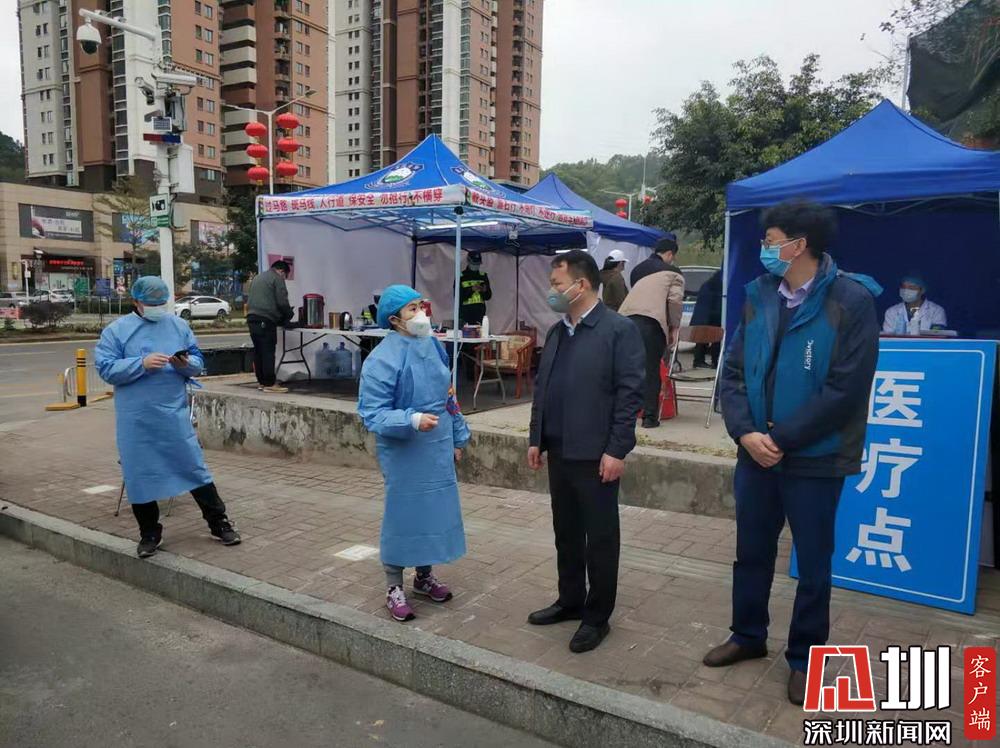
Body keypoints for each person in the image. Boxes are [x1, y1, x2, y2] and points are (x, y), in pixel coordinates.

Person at [706, 199, 880, 706]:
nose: (764, 249)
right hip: (754, 454)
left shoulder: (851, 300)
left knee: (814, 564)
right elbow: (732, 374)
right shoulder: (758, 294)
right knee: (751, 552)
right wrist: (745, 433)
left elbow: (845, 390)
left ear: (799, 245)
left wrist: (780, 439)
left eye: (770, 241)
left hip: (815, 459)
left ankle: (805, 659)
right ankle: (747, 635)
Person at [526, 250, 645, 653]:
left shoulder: (618, 330)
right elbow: (543, 388)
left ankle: (597, 617)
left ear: (581, 284)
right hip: (560, 451)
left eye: (557, 284)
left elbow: (630, 394)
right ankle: (570, 599)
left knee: (601, 539)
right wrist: (536, 438)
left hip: (596, 455)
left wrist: (617, 449)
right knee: (567, 533)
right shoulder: (558, 332)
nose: (552, 291)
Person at [95, 276, 241, 559]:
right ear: (136, 301)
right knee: (139, 474)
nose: (157, 308)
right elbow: (106, 368)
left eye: (161, 302)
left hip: (172, 413)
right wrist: (140, 363)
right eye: (151, 303)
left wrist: (185, 364)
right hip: (136, 418)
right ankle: (149, 533)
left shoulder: (178, 326)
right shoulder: (117, 331)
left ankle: (219, 523)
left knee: (193, 467)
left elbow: (197, 360)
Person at [358, 284, 471, 623]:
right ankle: (394, 586)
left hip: (436, 444)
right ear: (394, 320)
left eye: (421, 305)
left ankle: (424, 576)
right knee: (404, 515)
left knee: (433, 512)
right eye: (412, 309)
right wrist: (410, 419)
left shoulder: (433, 345)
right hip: (404, 449)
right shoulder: (382, 359)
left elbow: (448, 395)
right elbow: (372, 413)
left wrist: (458, 436)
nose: (421, 313)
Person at [618, 237, 685, 428]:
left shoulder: (637, 270)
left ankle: (624, 412)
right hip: (651, 323)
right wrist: (674, 327)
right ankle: (649, 417)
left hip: (624, 320)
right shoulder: (674, 273)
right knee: (651, 369)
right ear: (670, 254)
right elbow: (674, 301)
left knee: (627, 369)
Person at [246, 260, 294, 393]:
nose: (284, 279)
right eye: (285, 276)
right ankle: (270, 383)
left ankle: (262, 382)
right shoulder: (277, 278)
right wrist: (289, 314)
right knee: (267, 351)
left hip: (252, 318)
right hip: (265, 319)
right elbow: (282, 301)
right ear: (282, 271)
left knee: (258, 351)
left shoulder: (258, 278)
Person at [882, 275, 947, 335]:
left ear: (922, 290)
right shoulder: (891, 311)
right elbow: (888, 337)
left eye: (911, 287)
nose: (906, 291)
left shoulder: (936, 311)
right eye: (903, 287)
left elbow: (937, 336)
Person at [691, 267, 723, 369]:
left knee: (702, 339)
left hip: (702, 315)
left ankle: (699, 360)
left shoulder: (708, 284)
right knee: (716, 337)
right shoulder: (719, 285)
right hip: (712, 316)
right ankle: (715, 361)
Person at [459, 251, 492, 327]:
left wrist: (484, 291)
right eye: (474, 263)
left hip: (479, 315)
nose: (476, 266)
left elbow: (488, 296)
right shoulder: (461, 276)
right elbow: (458, 296)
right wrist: (471, 290)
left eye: (478, 264)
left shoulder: (483, 276)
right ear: (468, 261)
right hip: (465, 316)